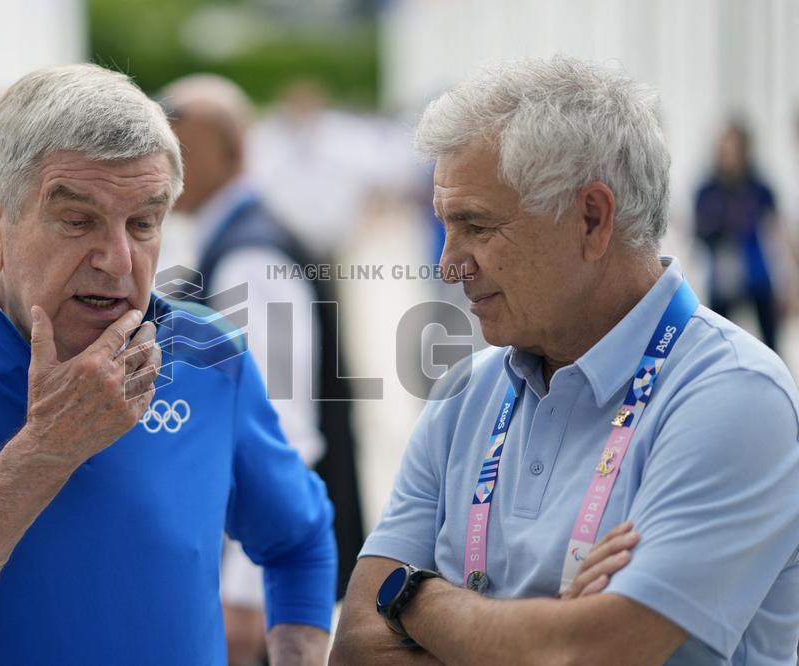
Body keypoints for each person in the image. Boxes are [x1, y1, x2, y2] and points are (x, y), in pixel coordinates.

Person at [0, 63, 336, 665]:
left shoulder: (208, 355)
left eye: (143, 223)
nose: (118, 261)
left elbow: (300, 538)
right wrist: (45, 451)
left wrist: (297, 649)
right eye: (77, 220)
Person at [331, 56, 799, 665]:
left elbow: (582, 656)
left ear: (591, 218)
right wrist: (550, 626)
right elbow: (358, 648)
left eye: (475, 225)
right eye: (445, 225)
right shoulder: (464, 394)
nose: (448, 264)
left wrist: (414, 597)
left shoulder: (732, 396)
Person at [162, 73, 364, 665]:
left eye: (184, 148)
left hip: (266, 577)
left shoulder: (252, 254)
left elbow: (284, 430)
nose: (169, 164)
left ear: (235, 150)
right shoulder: (235, 239)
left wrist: (247, 591)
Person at [694, 122, 792, 351]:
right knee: (716, 341)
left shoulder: (759, 188)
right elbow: (699, 233)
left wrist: (786, 281)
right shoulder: (707, 189)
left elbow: (775, 233)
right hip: (722, 276)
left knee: (771, 343)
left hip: (757, 275)